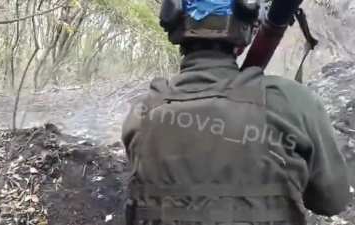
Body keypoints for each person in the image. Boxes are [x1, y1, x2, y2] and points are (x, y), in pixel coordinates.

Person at [122, 0, 351, 224]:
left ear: (173, 25)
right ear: (246, 29)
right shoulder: (292, 101)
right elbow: (331, 201)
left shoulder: (140, 116)